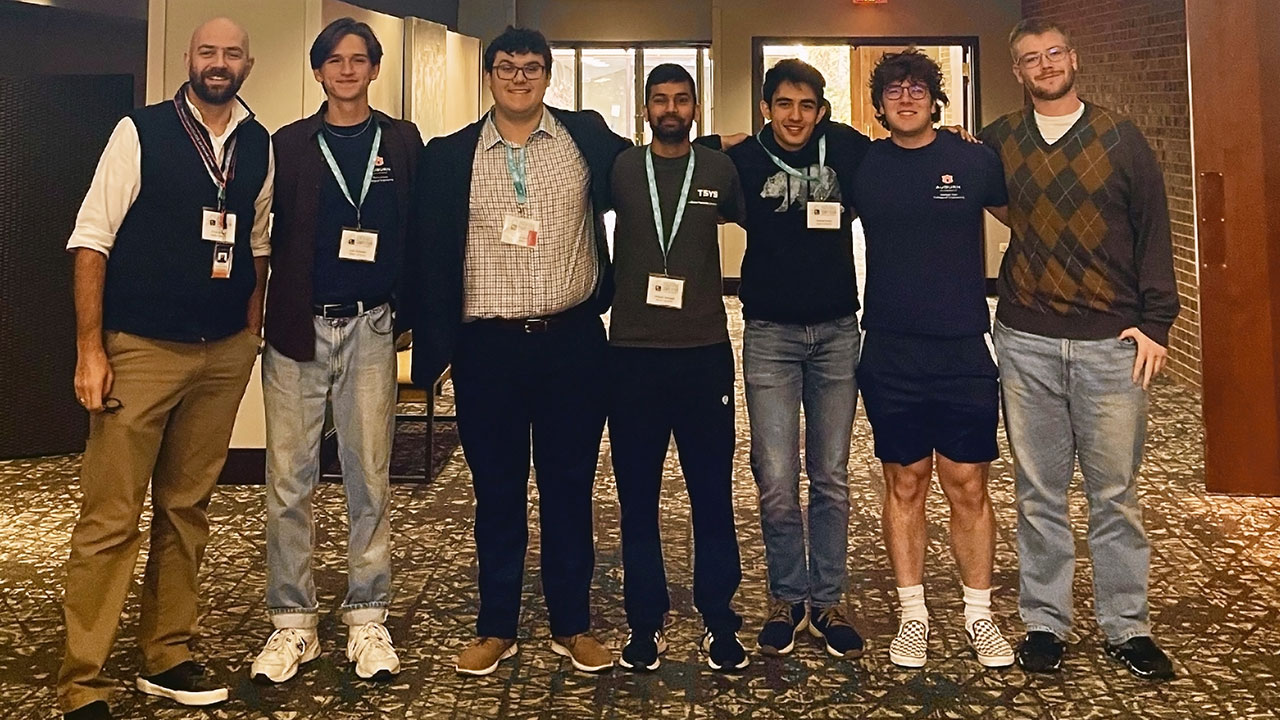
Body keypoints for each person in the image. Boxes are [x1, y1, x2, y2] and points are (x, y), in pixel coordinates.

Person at [58, 17, 272, 720]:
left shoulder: (258, 142)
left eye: (231, 53)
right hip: (140, 350)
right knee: (111, 518)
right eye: (207, 51)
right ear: (190, 58)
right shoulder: (139, 130)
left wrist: (252, 319)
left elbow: (258, 241)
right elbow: (91, 241)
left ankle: (168, 654)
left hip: (220, 356)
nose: (218, 62)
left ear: (248, 62)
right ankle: (84, 680)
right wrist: (91, 349)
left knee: (186, 511)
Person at [406, 26, 630, 677]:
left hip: (572, 346)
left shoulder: (582, 140)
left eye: (532, 67)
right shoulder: (451, 157)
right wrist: (429, 338)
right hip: (489, 350)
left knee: (568, 487)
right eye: (507, 67)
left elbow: (652, 167)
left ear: (548, 75)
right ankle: (496, 625)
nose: (520, 77)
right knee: (497, 490)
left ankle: (572, 624)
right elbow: (427, 252)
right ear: (489, 75)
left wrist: (724, 145)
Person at [981, 19, 1179, 680]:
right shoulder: (1001, 140)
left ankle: (1126, 626)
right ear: (1017, 70)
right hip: (1027, 339)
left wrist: (1158, 322)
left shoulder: (1122, 138)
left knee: (1114, 494)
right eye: (1031, 58)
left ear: (1074, 58)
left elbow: (1154, 227)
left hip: (1111, 345)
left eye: (1054, 53)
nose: (1045, 64)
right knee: (1038, 492)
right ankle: (1045, 622)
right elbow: (983, 198)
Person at [249, 17, 422, 686]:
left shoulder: (402, 141)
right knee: (288, 482)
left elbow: (415, 231)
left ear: (375, 69)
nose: (348, 70)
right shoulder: (289, 144)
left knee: (368, 477)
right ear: (318, 71)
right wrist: (257, 319)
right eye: (335, 61)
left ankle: (367, 615)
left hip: (373, 328)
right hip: (298, 332)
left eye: (360, 60)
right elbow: (263, 236)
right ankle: (293, 625)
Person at [852, 49, 1013, 669]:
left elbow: (1029, 219)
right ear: (881, 103)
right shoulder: (866, 165)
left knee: (968, 483)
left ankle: (979, 614)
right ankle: (912, 614)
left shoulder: (971, 159)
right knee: (906, 481)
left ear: (936, 98)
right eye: (895, 89)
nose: (907, 96)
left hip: (963, 349)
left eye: (919, 87)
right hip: (890, 349)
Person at [717, 59, 870, 659]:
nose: (795, 116)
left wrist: (959, 134)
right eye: (783, 104)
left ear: (822, 111)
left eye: (807, 105)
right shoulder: (745, 159)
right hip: (770, 336)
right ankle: (787, 596)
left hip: (836, 331)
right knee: (776, 477)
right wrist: (723, 137)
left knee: (830, 476)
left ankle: (828, 600)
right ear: (766, 108)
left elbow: (904, 144)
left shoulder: (848, 150)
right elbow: (685, 150)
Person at [607, 63, 748, 673]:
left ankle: (720, 618)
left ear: (696, 108)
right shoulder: (619, 169)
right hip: (632, 353)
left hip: (703, 352)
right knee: (636, 496)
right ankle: (646, 620)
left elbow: (764, 227)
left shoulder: (719, 169)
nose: (671, 108)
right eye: (660, 100)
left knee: (711, 493)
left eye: (681, 99)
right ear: (645, 110)